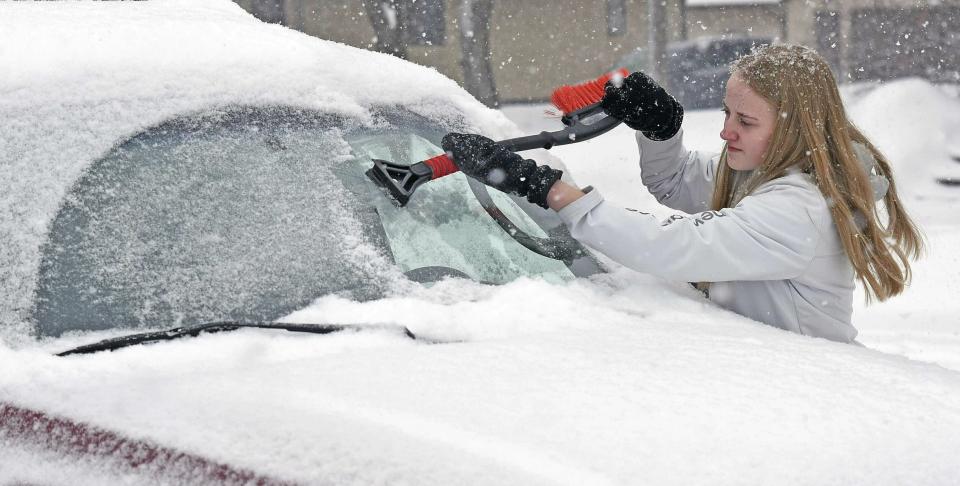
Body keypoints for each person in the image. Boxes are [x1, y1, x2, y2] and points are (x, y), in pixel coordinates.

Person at [441, 44, 924, 343]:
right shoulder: (770, 173)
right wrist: (661, 130)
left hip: (804, 387)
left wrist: (549, 190)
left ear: (796, 128)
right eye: (726, 114)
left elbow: (673, 248)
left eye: (746, 121)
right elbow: (677, 181)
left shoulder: (798, 209)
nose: (726, 132)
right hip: (762, 369)